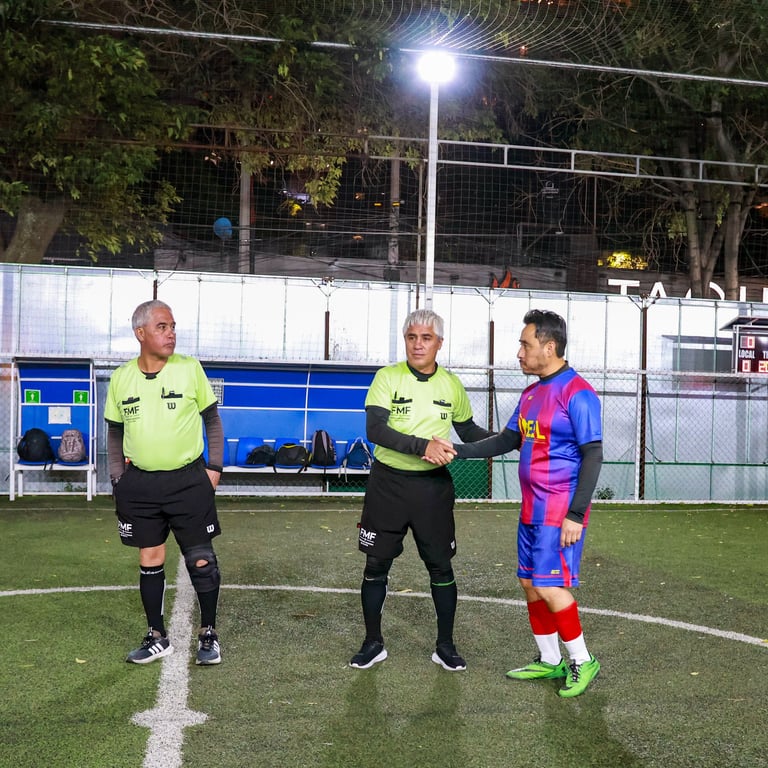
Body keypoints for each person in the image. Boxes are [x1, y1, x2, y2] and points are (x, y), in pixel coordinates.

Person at [436, 309, 603, 697]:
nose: (519, 353)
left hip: (559, 511)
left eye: (526, 345)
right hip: (531, 508)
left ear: (549, 346)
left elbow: (593, 455)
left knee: (549, 585)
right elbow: (506, 440)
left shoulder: (578, 393)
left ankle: (583, 660)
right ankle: (550, 659)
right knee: (529, 582)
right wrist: (456, 450)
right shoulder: (531, 394)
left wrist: (576, 514)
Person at [349, 308, 493, 672]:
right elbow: (376, 430)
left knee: (440, 566)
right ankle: (373, 643)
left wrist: (511, 439)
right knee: (376, 564)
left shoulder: (451, 384)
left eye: (426, 338)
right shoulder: (387, 377)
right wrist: (421, 446)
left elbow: (469, 432)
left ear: (439, 343)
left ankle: (445, 646)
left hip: (432, 489)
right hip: (388, 485)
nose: (418, 344)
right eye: (412, 337)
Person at [105, 299, 225, 666]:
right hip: (140, 485)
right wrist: (117, 478)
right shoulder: (121, 378)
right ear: (140, 333)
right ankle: (157, 636)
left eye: (172, 326)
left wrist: (214, 469)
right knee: (150, 557)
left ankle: (209, 633)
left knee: (201, 559)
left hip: (189, 481)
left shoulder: (189, 369)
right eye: (162, 327)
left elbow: (212, 421)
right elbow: (114, 432)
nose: (171, 333)